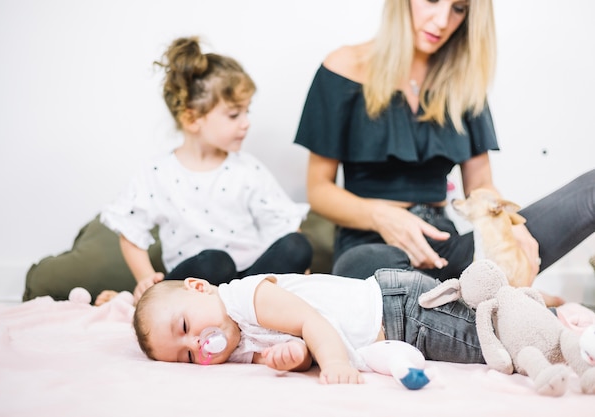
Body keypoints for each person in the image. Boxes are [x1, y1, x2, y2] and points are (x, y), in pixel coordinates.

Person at [293, 0, 595, 283]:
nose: (442, 22)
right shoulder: (343, 68)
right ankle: (474, 303)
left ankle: (450, 305)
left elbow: (480, 185)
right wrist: (382, 216)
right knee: (363, 268)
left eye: (459, 8)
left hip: (445, 249)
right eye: (433, 0)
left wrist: (508, 224)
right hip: (372, 245)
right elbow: (319, 189)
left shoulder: (462, 81)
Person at [100, 36, 312, 305]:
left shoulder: (248, 169)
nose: (246, 123)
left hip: (249, 283)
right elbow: (130, 229)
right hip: (194, 285)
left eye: (247, 112)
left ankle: (242, 310)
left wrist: (300, 273)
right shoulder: (157, 173)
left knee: (297, 244)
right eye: (234, 115)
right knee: (215, 261)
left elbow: (282, 227)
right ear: (192, 118)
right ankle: (175, 306)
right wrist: (146, 280)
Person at [132, 263, 486, 384]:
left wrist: (334, 364)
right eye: (188, 356)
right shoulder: (236, 349)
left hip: (400, 312)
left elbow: (309, 321)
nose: (197, 344)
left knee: (487, 342)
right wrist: (292, 358)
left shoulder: (244, 298)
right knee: (490, 332)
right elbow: (302, 348)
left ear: (199, 287)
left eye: (184, 328)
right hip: (397, 328)